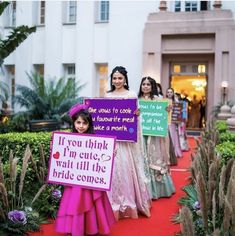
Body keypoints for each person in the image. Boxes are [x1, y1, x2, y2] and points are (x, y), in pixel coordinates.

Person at [55, 104, 116, 236]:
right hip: (74, 180)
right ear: (74, 123)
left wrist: (111, 154)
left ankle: (91, 228)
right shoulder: (68, 140)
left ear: (89, 125)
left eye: (84, 123)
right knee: (74, 201)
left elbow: (101, 158)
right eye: (78, 122)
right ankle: (73, 228)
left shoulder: (95, 140)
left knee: (90, 202)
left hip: (90, 181)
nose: (81, 126)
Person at [105, 66, 151, 220]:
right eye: (114, 78)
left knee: (125, 169)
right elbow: (103, 117)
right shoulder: (107, 95)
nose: (117, 81)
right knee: (113, 171)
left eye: (120, 78)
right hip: (112, 141)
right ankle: (111, 203)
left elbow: (136, 119)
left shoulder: (131, 95)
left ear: (125, 79)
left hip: (125, 141)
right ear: (111, 79)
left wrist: (137, 115)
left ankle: (129, 203)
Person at [138, 77, 175, 199]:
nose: (146, 86)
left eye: (148, 84)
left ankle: (158, 190)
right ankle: (143, 191)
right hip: (141, 135)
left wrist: (167, 110)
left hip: (154, 135)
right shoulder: (137, 100)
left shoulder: (158, 100)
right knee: (142, 159)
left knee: (154, 158)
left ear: (152, 86)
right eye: (144, 84)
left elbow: (164, 116)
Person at [166, 88, 183, 162]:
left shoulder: (176, 102)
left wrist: (179, 121)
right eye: (168, 92)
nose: (169, 93)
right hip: (166, 121)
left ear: (173, 93)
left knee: (173, 137)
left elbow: (179, 112)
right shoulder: (164, 101)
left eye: (171, 92)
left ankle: (174, 152)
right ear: (166, 93)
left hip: (173, 122)